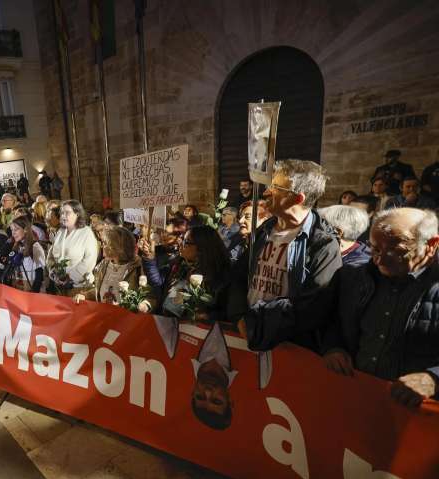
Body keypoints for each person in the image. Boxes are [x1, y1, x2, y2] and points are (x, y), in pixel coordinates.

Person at [322, 208, 439, 407]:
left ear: (431, 245)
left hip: (414, 415)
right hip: (355, 398)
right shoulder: (353, 277)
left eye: (397, 251)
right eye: (375, 249)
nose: (380, 260)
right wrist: (333, 348)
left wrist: (434, 379)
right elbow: (333, 321)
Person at [227, 159, 342, 352]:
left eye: (276, 188)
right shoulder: (263, 231)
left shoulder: (323, 244)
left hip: (288, 345)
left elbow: (312, 306)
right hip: (247, 333)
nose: (266, 192)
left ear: (298, 198)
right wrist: (239, 316)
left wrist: (257, 324)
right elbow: (239, 276)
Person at [147, 225, 230, 319]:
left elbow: (225, 311)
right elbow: (158, 284)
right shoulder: (178, 264)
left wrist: (206, 316)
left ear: (201, 248)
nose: (181, 244)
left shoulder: (220, 275)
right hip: (172, 322)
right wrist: (149, 259)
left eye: (186, 242)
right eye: (182, 239)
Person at [78, 225, 154, 310]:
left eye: (105, 243)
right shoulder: (103, 264)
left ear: (117, 247)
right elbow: (100, 291)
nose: (102, 246)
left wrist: (144, 306)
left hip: (125, 317)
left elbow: (151, 297)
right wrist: (86, 295)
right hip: (103, 315)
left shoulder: (138, 267)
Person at [46, 200, 99, 295]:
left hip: (79, 288)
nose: (63, 216)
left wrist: (70, 278)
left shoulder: (86, 233)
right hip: (60, 286)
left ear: (77, 214)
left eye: (67, 213)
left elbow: (89, 261)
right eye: (62, 213)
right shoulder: (61, 232)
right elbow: (51, 255)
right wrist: (53, 273)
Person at [191, 323, 236, 430]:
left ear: (192, 392)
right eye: (217, 401)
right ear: (229, 400)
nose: (208, 391)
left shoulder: (174, 347)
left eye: (200, 396)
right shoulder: (260, 373)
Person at [8, 215, 46, 293]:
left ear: (25, 229)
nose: (13, 233)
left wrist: (33, 293)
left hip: (32, 293)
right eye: (12, 230)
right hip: (20, 291)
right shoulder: (17, 247)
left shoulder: (35, 246)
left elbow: (39, 274)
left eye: (16, 229)